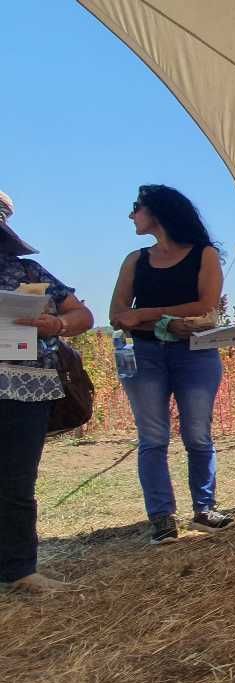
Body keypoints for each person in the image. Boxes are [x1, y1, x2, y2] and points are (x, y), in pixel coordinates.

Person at [109, 185, 229, 545]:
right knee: (153, 437)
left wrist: (145, 314)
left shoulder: (205, 254)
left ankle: (204, 508)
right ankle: (161, 517)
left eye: (136, 208)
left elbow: (206, 304)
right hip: (145, 356)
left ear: (158, 212)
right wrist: (165, 323)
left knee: (197, 433)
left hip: (195, 353)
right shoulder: (135, 260)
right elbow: (116, 315)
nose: (131, 215)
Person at [0, 191, 94, 592]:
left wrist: (53, 325)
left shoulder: (29, 273)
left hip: (25, 388)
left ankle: (20, 570)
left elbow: (83, 316)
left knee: (16, 482)